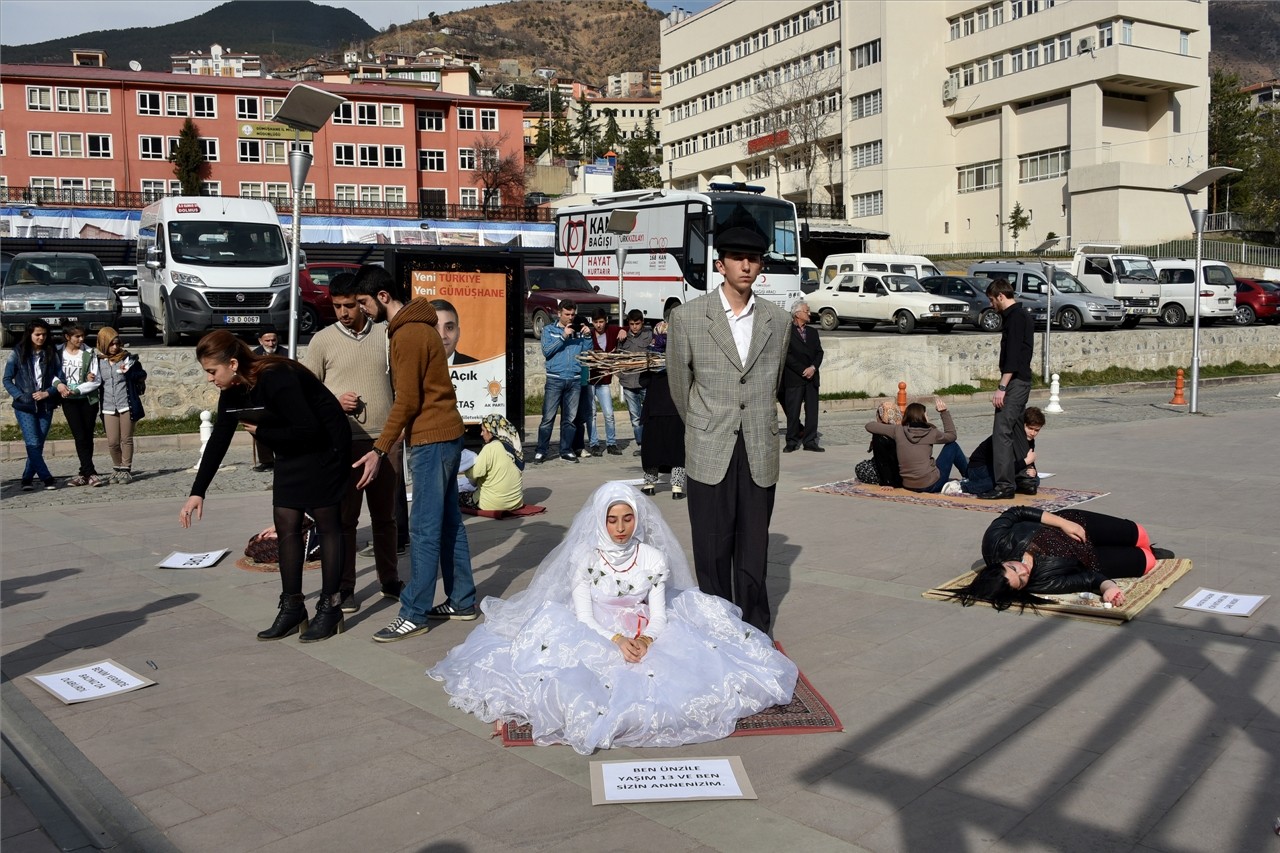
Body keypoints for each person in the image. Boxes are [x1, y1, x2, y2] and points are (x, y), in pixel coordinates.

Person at [427, 481, 798, 755]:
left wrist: (648, 640)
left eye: (627, 519)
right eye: (612, 520)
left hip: (642, 627)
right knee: (565, 683)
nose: (620, 528)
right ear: (599, 522)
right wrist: (619, 642)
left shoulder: (652, 558)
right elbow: (584, 616)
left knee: (700, 674)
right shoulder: (585, 558)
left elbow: (657, 613)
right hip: (594, 629)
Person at [179, 331, 351, 643]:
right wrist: (197, 491)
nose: (208, 379)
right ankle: (292, 607)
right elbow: (219, 438)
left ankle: (330, 607)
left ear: (232, 364)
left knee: (328, 527)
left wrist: (265, 431)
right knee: (287, 525)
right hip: (290, 451)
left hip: (326, 450)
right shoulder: (232, 391)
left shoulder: (277, 377)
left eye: (211, 371)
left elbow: (310, 430)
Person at [667, 226, 790, 634]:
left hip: (759, 444)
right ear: (720, 264)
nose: (746, 265)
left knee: (754, 547)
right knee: (712, 544)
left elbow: (773, 384)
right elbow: (678, 385)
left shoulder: (779, 320)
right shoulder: (687, 317)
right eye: (737, 257)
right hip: (709, 443)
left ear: (761, 266)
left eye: (753, 258)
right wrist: (702, 426)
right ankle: (716, 628)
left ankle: (754, 628)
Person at [350, 265, 477, 642]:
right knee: (449, 522)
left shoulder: (407, 334)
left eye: (363, 302)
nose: (361, 311)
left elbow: (406, 400)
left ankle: (414, 612)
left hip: (431, 440)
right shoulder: (420, 327)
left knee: (423, 529)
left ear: (383, 297)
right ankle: (462, 600)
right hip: (446, 435)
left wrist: (379, 448)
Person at [302, 272, 402, 615]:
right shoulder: (322, 341)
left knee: (386, 516)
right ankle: (346, 587)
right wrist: (333, 400)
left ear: (363, 302)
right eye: (337, 306)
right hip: (344, 442)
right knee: (346, 519)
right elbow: (306, 392)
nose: (344, 312)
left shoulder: (386, 334)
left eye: (350, 305)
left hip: (386, 439)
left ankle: (390, 579)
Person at [951, 507, 1175, 612]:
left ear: (1001, 563)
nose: (1023, 570)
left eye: (1013, 567)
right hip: (1089, 557)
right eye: (1021, 580)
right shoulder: (1042, 582)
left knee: (1141, 534)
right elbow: (1088, 578)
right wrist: (1108, 586)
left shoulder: (994, 543)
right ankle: (1149, 552)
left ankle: (1141, 543)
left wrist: (1062, 523)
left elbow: (1016, 513)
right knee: (1147, 561)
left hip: (1076, 525)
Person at [980, 278, 1034, 500]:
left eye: (992, 300)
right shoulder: (1023, 315)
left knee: (1001, 431)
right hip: (1022, 381)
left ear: (1001, 296)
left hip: (1015, 382)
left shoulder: (1014, 318)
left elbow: (1013, 355)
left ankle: (1004, 485)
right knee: (1017, 431)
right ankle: (1025, 478)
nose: (992, 305)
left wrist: (1002, 387)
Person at [4, 319, 64, 491]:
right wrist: (20, 396)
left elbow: (60, 379)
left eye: (44, 334)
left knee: (38, 444)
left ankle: (27, 478)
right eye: (37, 334)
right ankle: (47, 478)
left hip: (46, 405)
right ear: (29, 334)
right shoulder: (18, 353)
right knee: (32, 441)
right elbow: (7, 379)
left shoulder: (51, 353)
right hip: (25, 406)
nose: (41, 338)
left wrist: (49, 392)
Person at [533, 300, 592, 464]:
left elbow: (587, 354)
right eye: (567, 314)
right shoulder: (549, 330)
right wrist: (563, 336)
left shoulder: (578, 330)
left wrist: (587, 336)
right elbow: (546, 351)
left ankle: (566, 450)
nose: (570, 318)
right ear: (559, 313)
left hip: (574, 379)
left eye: (573, 314)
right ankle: (541, 450)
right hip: (555, 379)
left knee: (570, 419)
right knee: (548, 418)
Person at [864, 399, 967, 493]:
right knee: (952, 446)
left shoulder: (898, 430)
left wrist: (888, 423)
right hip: (931, 485)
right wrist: (944, 412)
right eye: (926, 415)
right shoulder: (931, 432)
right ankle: (969, 476)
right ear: (922, 416)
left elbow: (869, 426)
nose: (928, 417)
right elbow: (952, 436)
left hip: (908, 485)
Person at [638, 322, 686, 499]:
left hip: (654, 408)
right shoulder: (680, 355)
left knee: (653, 448)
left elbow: (642, 382)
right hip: (676, 408)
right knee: (677, 449)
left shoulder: (651, 357)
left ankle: (649, 484)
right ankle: (677, 488)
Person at [55, 325, 106, 487]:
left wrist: (77, 390)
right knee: (79, 435)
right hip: (68, 401)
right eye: (77, 336)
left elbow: (95, 380)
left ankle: (85, 473)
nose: (81, 339)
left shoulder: (89, 353)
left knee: (87, 435)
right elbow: (51, 373)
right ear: (67, 337)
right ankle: (90, 472)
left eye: (82, 336)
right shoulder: (57, 353)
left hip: (87, 399)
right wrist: (58, 385)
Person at [94, 328, 147, 485]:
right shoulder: (98, 362)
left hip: (126, 404)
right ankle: (117, 467)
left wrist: (129, 373)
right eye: (111, 344)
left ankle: (126, 469)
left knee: (126, 439)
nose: (115, 347)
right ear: (103, 344)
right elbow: (94, 381)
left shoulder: (127, 358)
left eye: (117, 344)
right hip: (108, 406)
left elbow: (142, 374)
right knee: (113, 442)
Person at [960, 407, 1045, 496]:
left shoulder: (1029, 440)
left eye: (1036, 430)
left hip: (1002, 468)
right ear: (1022, 425)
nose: (1033, 433)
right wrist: (1026, 461)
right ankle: (964, 486)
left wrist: (1033, 471)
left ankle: (1015, 485)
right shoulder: (1007, 437)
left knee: (1035, 480)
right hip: (979, 468)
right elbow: (1005, 468)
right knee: (1003, 483)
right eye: (1030, 428)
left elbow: (1028, 464)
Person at [781, 299, 824, 453]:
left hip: (812, 377)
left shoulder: (813, 332)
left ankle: (810, 441)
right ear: (797, 314)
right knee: (793, 412)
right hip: (795, 377)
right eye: (807, 311)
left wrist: (813, 367)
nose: (809, 313)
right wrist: (803, 369)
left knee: (812, 411)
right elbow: (786, 355)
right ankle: (791, 441)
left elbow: (819, 352)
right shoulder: (787, 331)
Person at [459, 414, 524, 512]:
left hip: (492, 504)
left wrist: (466, 468)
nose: (481, 434)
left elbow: (475, 473)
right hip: (516, 502)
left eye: (483, 431)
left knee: (454, 497)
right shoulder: (514, 448)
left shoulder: (490, 448)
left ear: (492, 432)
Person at [585, 308, 624, 456]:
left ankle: (611, 443)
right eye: (596, 322)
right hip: (590, 379)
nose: (599, 325)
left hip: (604, 380)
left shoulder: (612, 330)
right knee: (591, 413)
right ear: (592, 322)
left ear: (606, 320)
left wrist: (623, 331)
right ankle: (594, 443)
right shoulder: (588, 334)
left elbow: (626, 328)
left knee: (609, 413)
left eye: (601, 322)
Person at [615, 309, 653, 451]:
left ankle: (651, 442)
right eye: (631, 324)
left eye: (637, 324)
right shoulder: (623, 337)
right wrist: (620, 374)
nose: (634, 327)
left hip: (644, 381)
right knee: (635, 417)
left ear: (642, 322)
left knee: (648, 414)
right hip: (628, 383)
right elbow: (617, 357)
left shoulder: (649, 335)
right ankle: (641, 445)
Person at [250, 325, 283, 471]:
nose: (271, 344)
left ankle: (283, 458)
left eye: (273, 340)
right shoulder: (254, 355)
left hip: (282, 397)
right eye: (267, 340)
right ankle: (267, 461)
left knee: (282, 429)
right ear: (260, 340)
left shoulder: (286, 353)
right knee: (260, 429)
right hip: (262, 397)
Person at [854, 401, 903, 489]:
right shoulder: (904, 429)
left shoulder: (879, 434)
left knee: (860, 467)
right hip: (906, 474)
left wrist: (887, 482)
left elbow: (882, 461)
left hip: (893, 476)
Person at [429, 298, 477, 365]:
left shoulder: (478, 368)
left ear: (458, 333)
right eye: (434, 328)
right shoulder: (411, 368)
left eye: (449, 328)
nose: (442, 336)